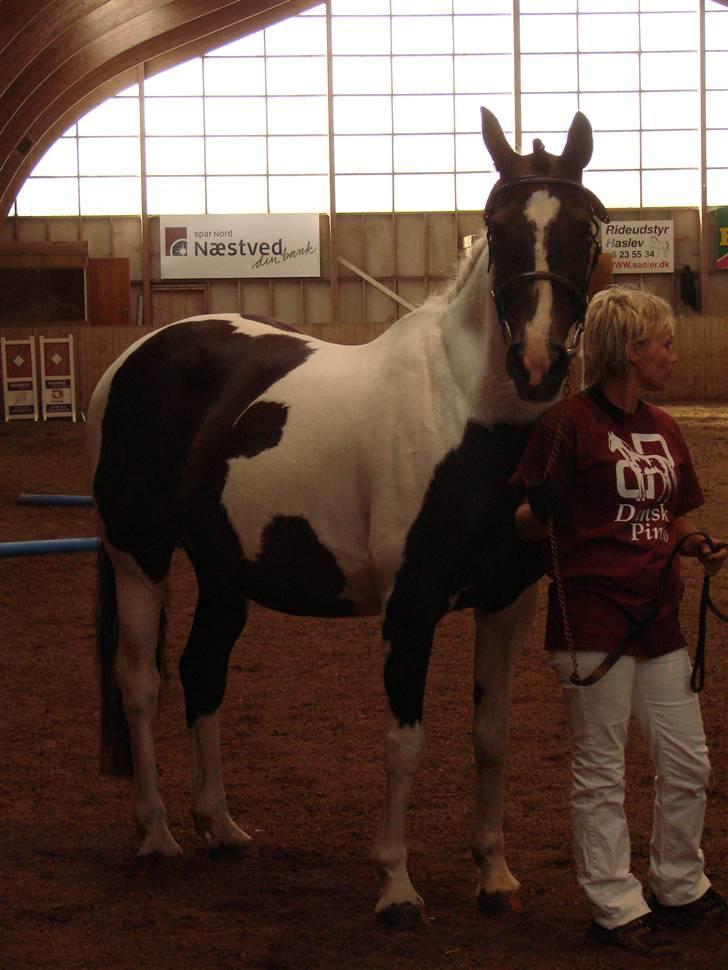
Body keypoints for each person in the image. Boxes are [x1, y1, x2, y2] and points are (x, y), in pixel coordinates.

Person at [511, 286, 728, 958]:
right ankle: (613, 901)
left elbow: (674, 506)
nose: (672, 353)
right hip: (594, 619)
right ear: (631, 352)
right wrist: (541, 507)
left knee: (687, 761)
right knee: (602, 769)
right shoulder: (566, 426)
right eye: (663, 342)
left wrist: (690, 540)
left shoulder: (663, 427)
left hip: (658, 618)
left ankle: (678, 881)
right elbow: (524, 525)